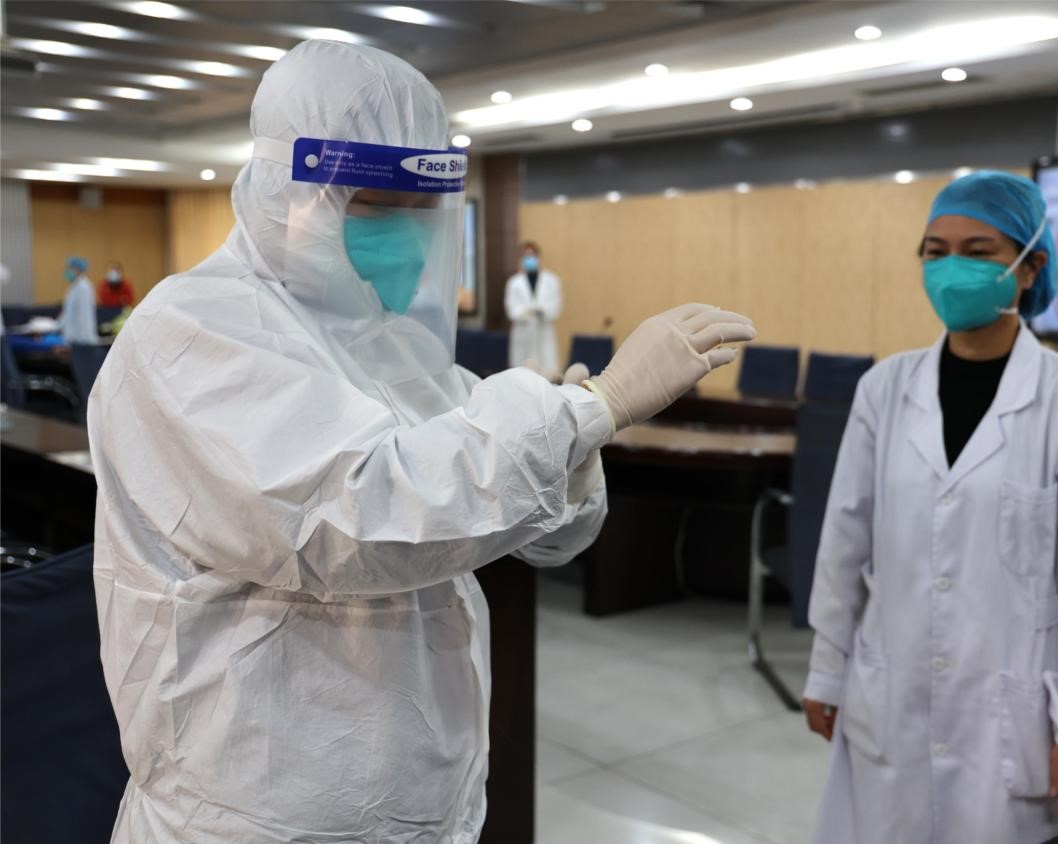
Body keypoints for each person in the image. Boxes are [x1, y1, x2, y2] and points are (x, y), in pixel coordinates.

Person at [88, 39, 755, 844]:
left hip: (419, 798)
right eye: (376, 204)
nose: (403, 233)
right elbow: (352, 521)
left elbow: (537, 530)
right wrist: (595, 407)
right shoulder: (195, 330)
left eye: (419, 208)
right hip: (252, 812)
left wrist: (570, 444)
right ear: (286, 191)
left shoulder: (393, 345)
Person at [802, 171, 1058, 844]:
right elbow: (845, 540)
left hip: (1014, 721)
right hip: (890, 696)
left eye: (978, 251)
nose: (951, 268)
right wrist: (826, 667)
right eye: (935, 251)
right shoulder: (884, 389)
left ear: (1029, 267)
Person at [505, 241, 562, 370]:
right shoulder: (514, 283)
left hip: (544, 332)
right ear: (521, 259)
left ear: (538, 257)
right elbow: (511, 310)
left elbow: (556, 307)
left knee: (547, 371)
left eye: (532, 255)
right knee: (521, 373)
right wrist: (526, 312)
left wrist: (542, 311)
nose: (529, 259)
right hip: (523, 334)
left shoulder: (552, 280)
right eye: (526, 256)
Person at [59, 256, 97, 344]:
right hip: (73, 336)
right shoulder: (74, 287)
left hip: (82, 337)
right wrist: (57, 325)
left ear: (79, 270)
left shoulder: (83, 287)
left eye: (71, 268)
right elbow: (69, 312)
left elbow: (84, 315)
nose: (68, 271)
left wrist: (84, 338)